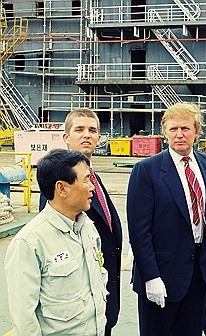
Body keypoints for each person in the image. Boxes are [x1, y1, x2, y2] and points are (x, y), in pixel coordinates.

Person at [127, 102, 206, 336]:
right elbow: (139, 232)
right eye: (173, 129)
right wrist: (151, 277)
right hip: (162, 275)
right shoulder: (147, 171)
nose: (179, 134)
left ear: (197, 132)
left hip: (199, 272)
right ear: (164, 132)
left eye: (185, 128)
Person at [5, 148, 108, 335]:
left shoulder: (87, 228)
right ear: (62, 188)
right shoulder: (29, 242)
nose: (92, 186)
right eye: (86, 180)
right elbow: (24, 319)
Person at [39, 108, 122, 336]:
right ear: (66, 137)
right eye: (79, 130)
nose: (87, 135)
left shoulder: (95, 179)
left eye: (92, 130)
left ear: (99, 138)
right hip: (77, 311)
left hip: (102, 297)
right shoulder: (58, 185)